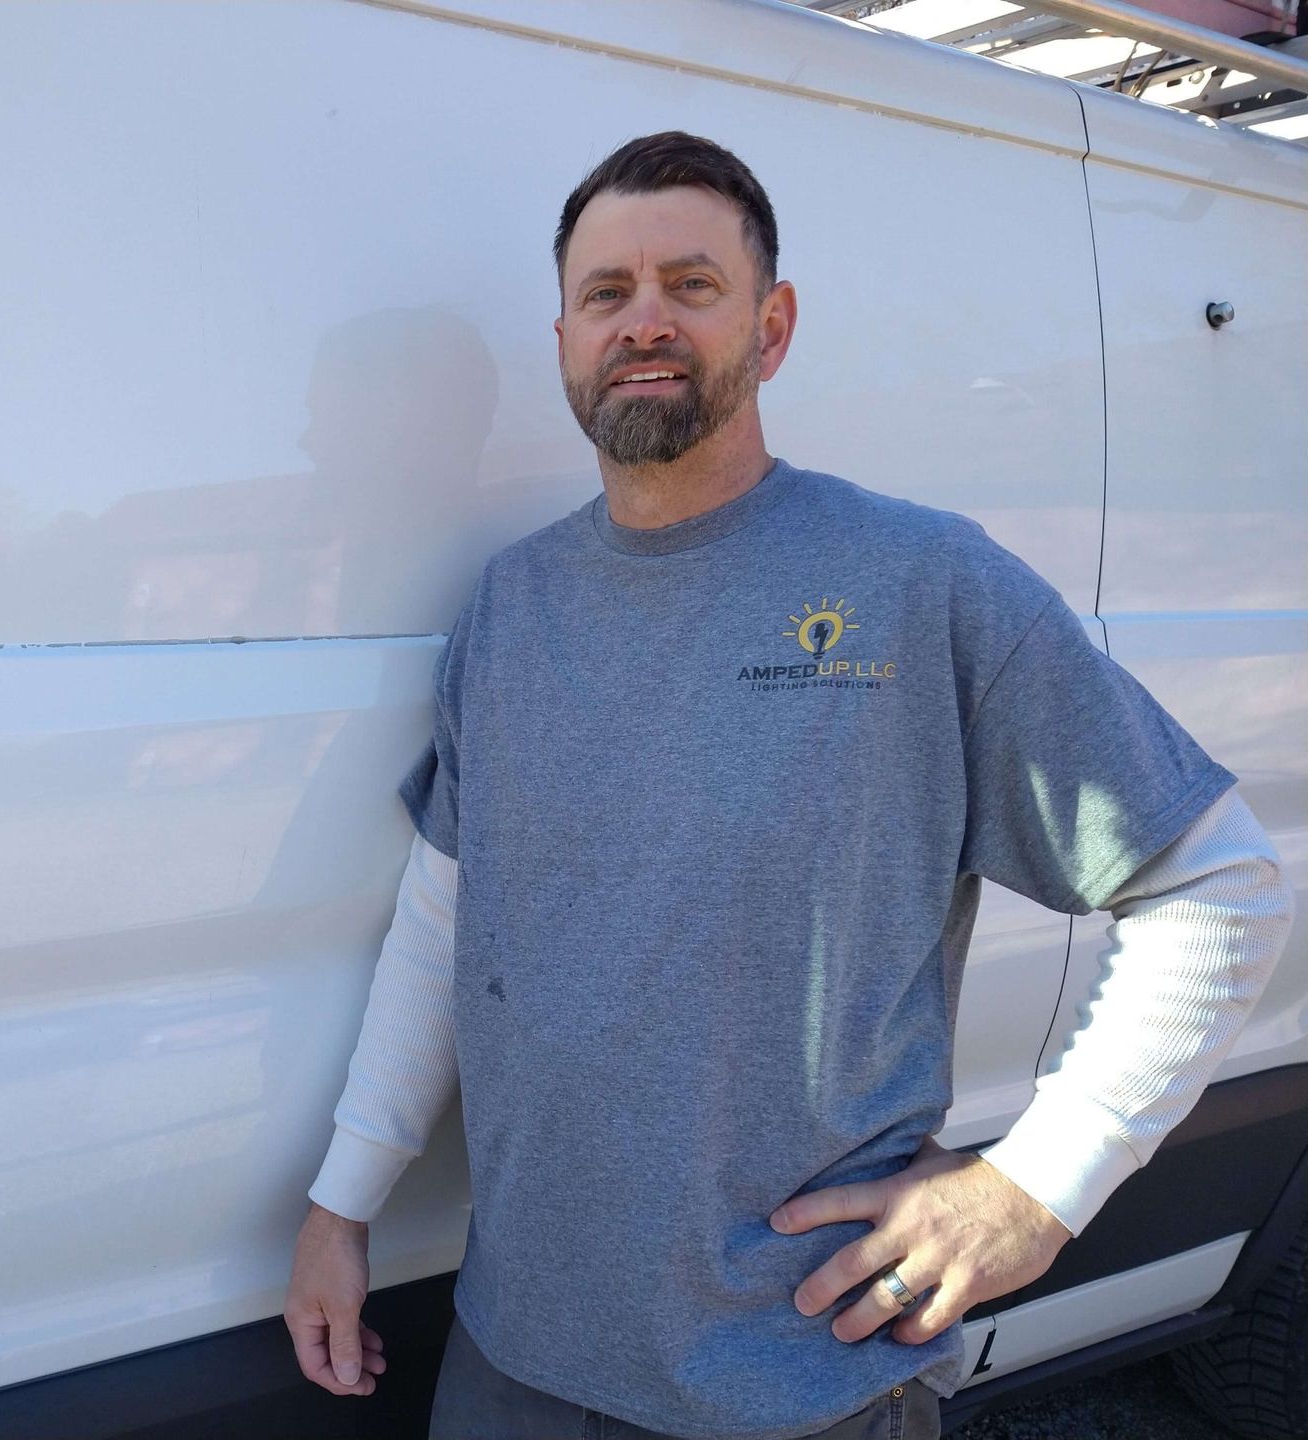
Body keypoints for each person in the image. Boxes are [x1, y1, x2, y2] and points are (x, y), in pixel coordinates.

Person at [281, 131, 1295, 1440]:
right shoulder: (511, 608)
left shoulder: (919, 585)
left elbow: (1219, 884)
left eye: (691, 284)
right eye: (607, 292)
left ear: (773, 327)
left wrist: (1038, 1192)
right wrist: (341, 1204)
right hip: (511, 1361)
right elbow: (443, 926)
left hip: (804, 1378)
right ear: (566, 341)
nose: (644, 320)